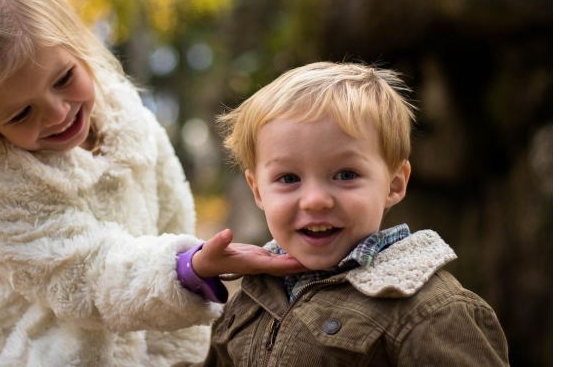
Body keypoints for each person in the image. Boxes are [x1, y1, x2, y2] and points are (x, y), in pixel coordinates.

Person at [0, 0, 304, 366]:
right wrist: (186, 269)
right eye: (22, 113)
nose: (57, 113)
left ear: (80, 47)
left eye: (63, 79)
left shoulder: (128, 120)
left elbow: (171, 215)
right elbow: (84, 277)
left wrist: (177, 350)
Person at [174, 62, 510, 366]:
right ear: (258, 191)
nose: (315, 200)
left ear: (393, 185)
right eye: (289, 179)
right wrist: (189, 271)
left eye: (346, 175)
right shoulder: (254, 293)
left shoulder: (432, 311)